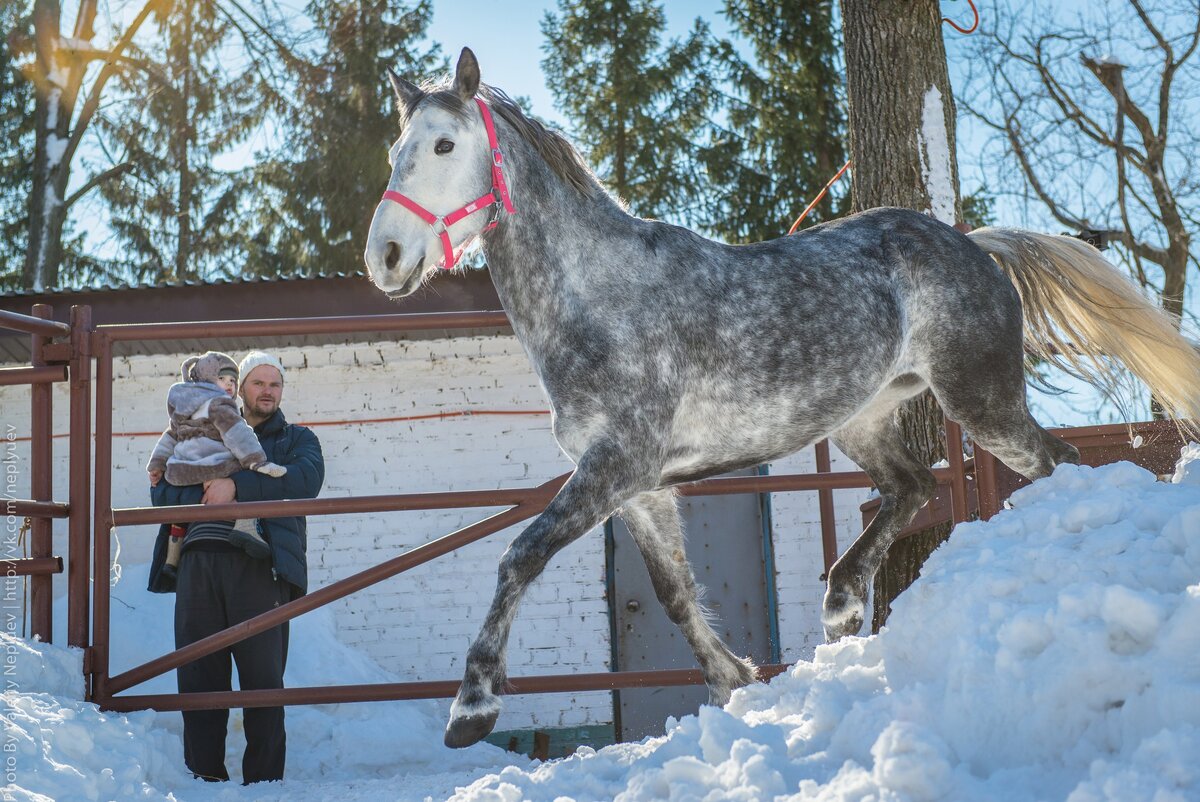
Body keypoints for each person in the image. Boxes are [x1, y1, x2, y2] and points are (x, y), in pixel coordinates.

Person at [147, 350, 325, 784]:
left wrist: (236, 486)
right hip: (198, 562)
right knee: (199, 677)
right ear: (239, 387)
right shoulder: (198, 427)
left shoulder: (296, 439)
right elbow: (163, 493)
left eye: (275, 384)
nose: (267, 391)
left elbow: (306, 479)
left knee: (263, 680)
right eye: (258, 383)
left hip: (260, 566)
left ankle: (265, 784)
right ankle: (204, 779)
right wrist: (209, 491)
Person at [145, 351, 287, 577]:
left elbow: (170, 437)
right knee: (242, 468)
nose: (229, 385)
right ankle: (247, 527)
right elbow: (238, 435)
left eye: (232, 380)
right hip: (200, 556)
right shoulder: (220, 406)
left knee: (181, 517)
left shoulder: (185, 411)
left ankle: (172, 558)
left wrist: (158, 463)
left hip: (182, 470)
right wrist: (256, 462)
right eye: (222, 379)